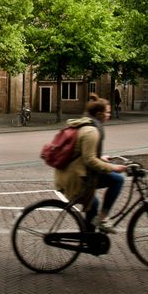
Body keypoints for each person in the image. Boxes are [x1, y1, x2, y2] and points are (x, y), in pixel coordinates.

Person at [54, 95, 129, 234]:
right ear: (99, 114)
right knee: (117, 180)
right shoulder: (92, 131)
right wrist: (114, 167)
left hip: (72, 172)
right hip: (75, 177)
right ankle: (101, 221)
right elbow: (90, 160)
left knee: (93, 203)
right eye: (107, 112)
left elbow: (82, 153)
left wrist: (101, 157)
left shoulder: (87, 123)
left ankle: (89, 235)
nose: (109, 115)